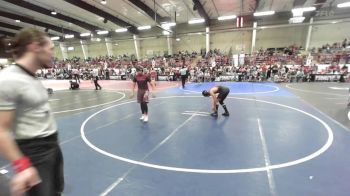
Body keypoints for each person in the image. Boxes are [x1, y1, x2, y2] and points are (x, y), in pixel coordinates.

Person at [0, 28, 64, 196]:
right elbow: (1, 130)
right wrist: (23, 166)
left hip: (51, 147)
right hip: (35, 153)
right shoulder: (8, 80)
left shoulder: (30, 76)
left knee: (55, 191)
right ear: (36, 47)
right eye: (51, 48)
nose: (53, 54)